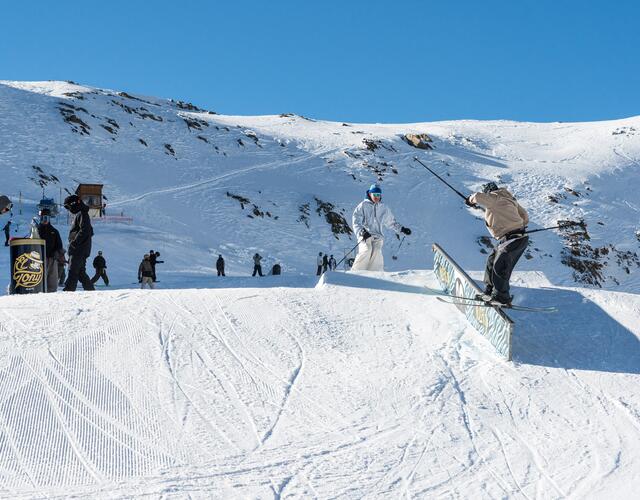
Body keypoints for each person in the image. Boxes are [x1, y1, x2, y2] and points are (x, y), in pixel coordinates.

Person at [466, 182, 529, 305]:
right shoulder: (509, 199)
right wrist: (515, 222)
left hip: (512, 238)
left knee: (500, 265)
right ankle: (489, 291)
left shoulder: (494, 198)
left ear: (489, 192)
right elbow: (525, 217)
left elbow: (478, 196)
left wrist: (470, 200)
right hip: (514, 237)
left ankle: (501, 296)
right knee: (491, 261)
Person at [351, 184, 411, 272]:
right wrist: (361, 231)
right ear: (370, 194)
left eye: (378, 195)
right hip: (365, 235)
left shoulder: (383, 208)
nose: (376, 197)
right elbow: (355, 220)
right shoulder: (363, 205)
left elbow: (391, 223)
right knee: (367, 250)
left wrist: (402, 229)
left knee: (377, 252)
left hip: (378, 235)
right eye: (374, 195)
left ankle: (375, 274)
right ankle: (356, 272)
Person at [62, 195, 95, 291]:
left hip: (78, 249)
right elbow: (89, 231)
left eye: (68, 207)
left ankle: (69, 291)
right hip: (81, 249)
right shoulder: (81, 214)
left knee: (73, 271)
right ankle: (90, 291)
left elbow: (86, 230)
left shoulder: (82, 213)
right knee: (81, 273)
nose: (68, 209)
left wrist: (74, 243)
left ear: (74, 203)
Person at [37, 208, 63, 292]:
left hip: (52, 259)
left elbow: (59, 246)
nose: (44, 220)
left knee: (52, 280)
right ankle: (39, 294)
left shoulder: (54, 231)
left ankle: (51, 296)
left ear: (49, 218)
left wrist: (60, 255)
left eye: (46, 218)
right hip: (39, 260)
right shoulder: (36, 231)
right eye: (42, 218)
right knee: (40, 280)